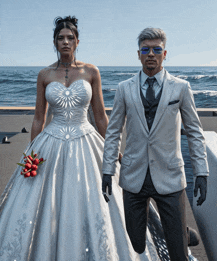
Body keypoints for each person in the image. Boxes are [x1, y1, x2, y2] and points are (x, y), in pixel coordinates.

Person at [0, 17, 166, 260]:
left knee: (98, 201)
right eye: (60, 38)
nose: (65, 42)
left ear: (77, 41)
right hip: (50, 143)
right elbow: (38, 118)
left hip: (86, 141)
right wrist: (31, 153)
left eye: (70, 37)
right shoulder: (44, 74)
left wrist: (115, 150)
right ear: (55, 42)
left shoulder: (91, 71)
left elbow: (100, 117)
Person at [102, 27, 209, 261]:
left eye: (156, 49)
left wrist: (201, 172)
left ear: (165, 53)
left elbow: (194, 131)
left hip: (170, 175)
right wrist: (107, 170)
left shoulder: (181, 87)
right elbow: (113, 132)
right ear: (138, 54)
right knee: (136, 241)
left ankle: (179, 231)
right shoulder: (124, 89)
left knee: (177, 250)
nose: (151, 53)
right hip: (134, 176)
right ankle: (175, 228)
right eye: (146, 49)